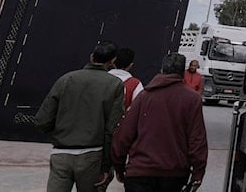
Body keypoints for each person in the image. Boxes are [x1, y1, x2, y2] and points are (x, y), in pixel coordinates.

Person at [35, 40, 125, 192]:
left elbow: (42, 120)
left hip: (61, 153)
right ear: (113, 61)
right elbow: (111, 129)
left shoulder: (66, 79)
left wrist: (59, 134)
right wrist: (105, 166)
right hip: (92, 155)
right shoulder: (114, 84)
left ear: (91, 57)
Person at [111, 52, 208, 192]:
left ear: (162, 70)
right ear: (182, 73)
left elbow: (123, 135)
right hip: (174, 173)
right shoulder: (192, 99)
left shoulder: (144, 96)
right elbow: (197, 139)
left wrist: (119, 167)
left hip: (140, 171)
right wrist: (198, 173)